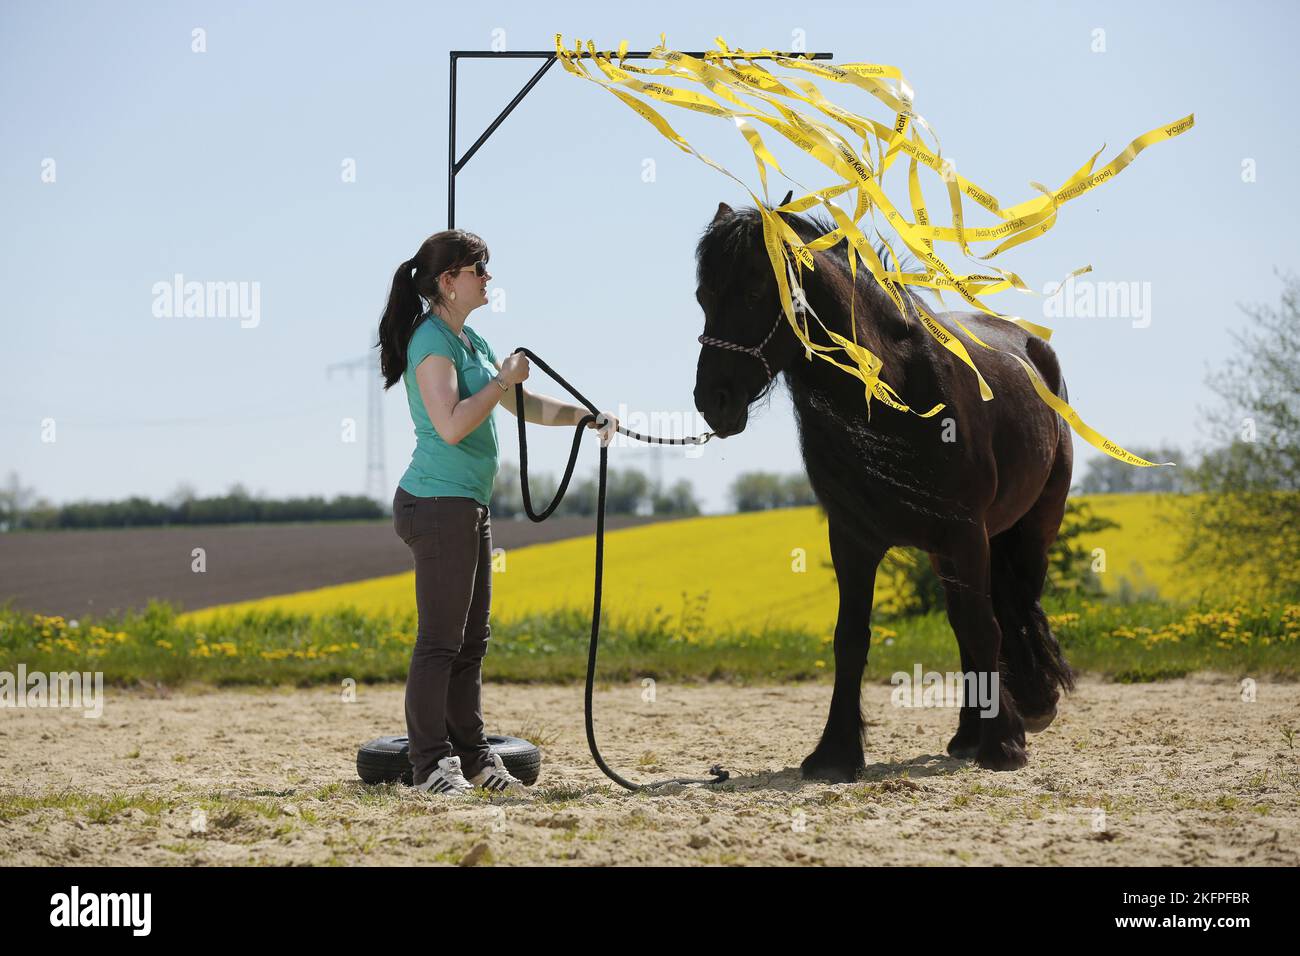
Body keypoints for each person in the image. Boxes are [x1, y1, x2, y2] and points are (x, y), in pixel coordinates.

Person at [376, 229, 618, 797]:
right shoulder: (432, 344)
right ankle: (430, 766)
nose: (488, 279)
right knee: (440, 642)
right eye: (478, 271)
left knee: (471, 642)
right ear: (448, 282)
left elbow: (521, 404)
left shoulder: (472, 342)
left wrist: (584, 416)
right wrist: (502, 381)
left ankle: (477, 761)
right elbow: (454, 424)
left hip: (466, 507)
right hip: (436, 504)